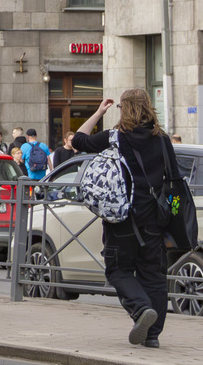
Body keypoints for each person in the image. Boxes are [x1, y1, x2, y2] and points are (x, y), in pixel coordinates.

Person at [72, 89, 172, 347]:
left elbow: (79, 140)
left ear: (123, 109)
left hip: (121, 221)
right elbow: (173, 179)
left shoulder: (115, 137)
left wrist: (98, 112)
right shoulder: (162, 140)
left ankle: (140, 310)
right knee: (154, 275)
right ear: (149, 107)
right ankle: (152, 336)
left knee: (118, 270)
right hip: (154, 221)